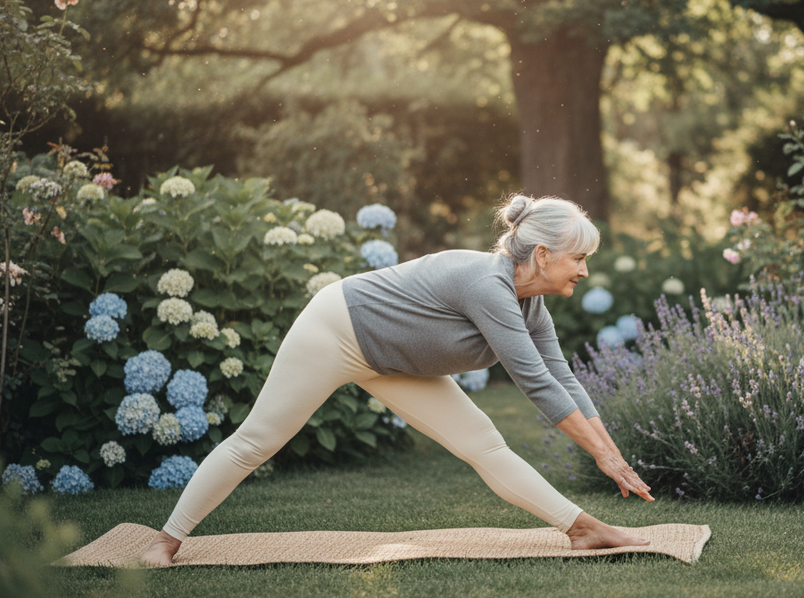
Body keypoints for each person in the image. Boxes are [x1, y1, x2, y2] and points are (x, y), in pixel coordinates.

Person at [139, 194, 654, 567]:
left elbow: (562, 376)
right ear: (542, 253)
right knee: (256, 441)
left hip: (390, 361)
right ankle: (167, 539)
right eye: (579, 258)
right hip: (335, 330)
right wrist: (602, 457)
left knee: (483, 442)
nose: (584, 272)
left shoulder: (531, 305)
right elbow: (536, 384)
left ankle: (581, 529)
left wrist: (611, 453)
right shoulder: (488, 284)